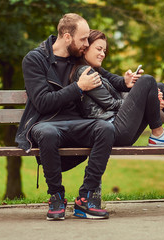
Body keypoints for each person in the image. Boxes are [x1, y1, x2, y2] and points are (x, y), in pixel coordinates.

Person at [15, 14, 114, 221]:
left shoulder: (78, 57)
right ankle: (56, 197)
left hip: (78, 123)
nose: (87, 44)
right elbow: (42, 102)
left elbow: (108, 77)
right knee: (48, 133)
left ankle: (86, 198)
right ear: (67, 37)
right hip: (44, 123)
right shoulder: (35, 59)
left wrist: (129, 83)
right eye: (84, 39)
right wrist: (78, 88)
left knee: (105, 128)